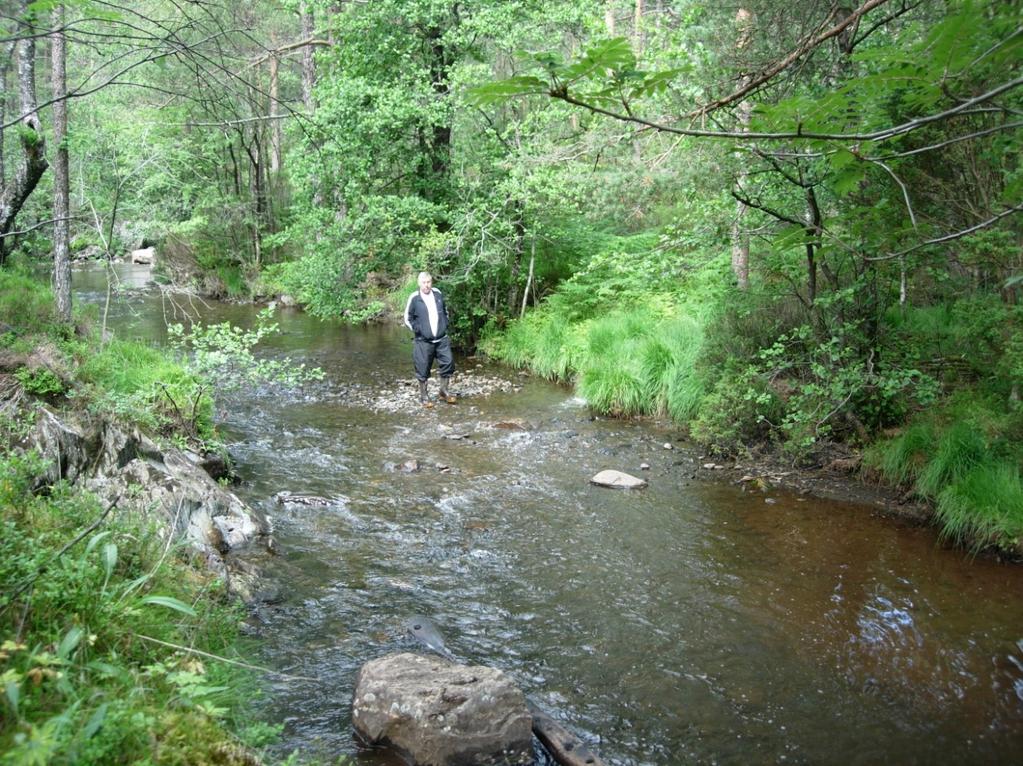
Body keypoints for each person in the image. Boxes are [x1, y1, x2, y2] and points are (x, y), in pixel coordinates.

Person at [403, 271, 455, 406]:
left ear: (431, 282)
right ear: (419, 283)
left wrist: (445, 324)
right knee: (422, 367)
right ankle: (424, 396)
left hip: (441, 338)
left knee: (448, 362)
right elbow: (407, 318)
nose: (426, 285)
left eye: (429, 282)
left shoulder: (437, 293)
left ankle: (443, 391)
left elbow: (445, 310)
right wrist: (418, 330)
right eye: (424, 283)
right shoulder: (414, 298)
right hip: (423, 341)